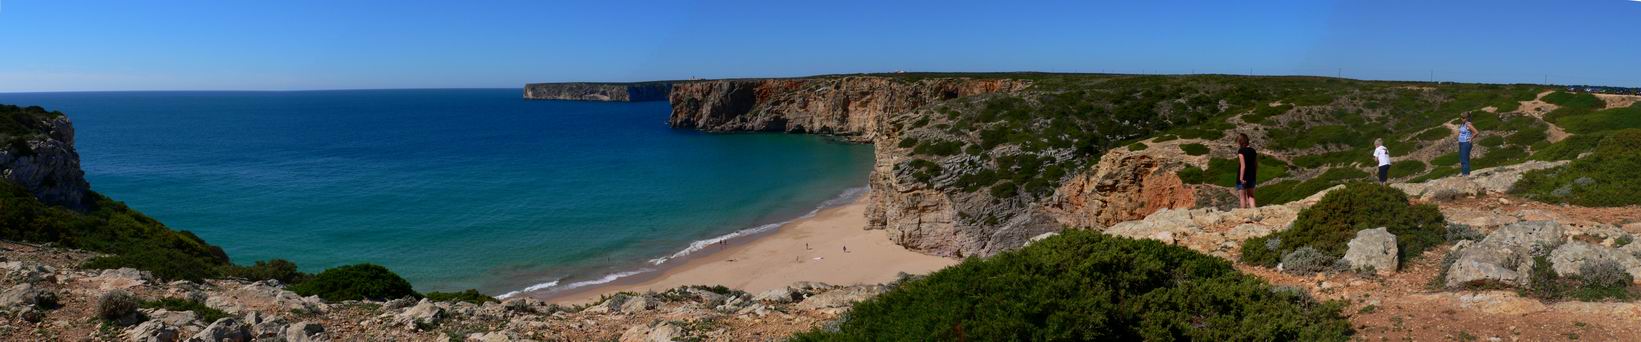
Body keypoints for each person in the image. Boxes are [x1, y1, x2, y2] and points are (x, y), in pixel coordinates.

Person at [1236, 133, 1258, 209]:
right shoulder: (1253, 151)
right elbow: (1256, 164)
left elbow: (1243, 166)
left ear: (1240, 142)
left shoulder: (1241, 151)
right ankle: (1254, 212)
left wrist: (1241, 178)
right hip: (1252, 176)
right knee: (1251, 196)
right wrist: (1254, 175)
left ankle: (1244, 215)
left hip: (1243, 177)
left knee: (1242, 198)